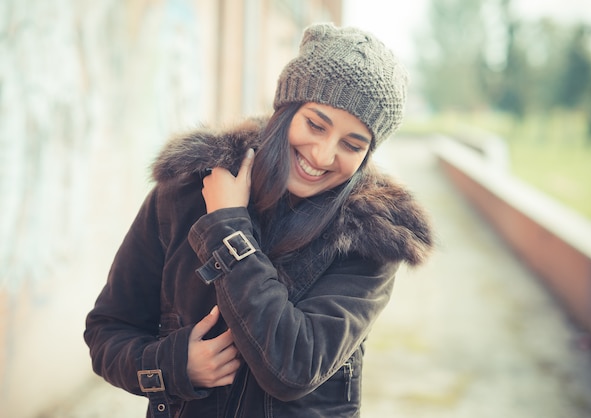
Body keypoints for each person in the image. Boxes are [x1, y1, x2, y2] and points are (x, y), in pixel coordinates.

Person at [84, 22, 433, 418]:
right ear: (285, 111)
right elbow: (107, 329)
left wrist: (228, 227)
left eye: (352, 145)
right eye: (315, 125)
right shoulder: (185, 191)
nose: (321, 155)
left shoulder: (370, 241)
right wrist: (173, 366)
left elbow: (292, 367)